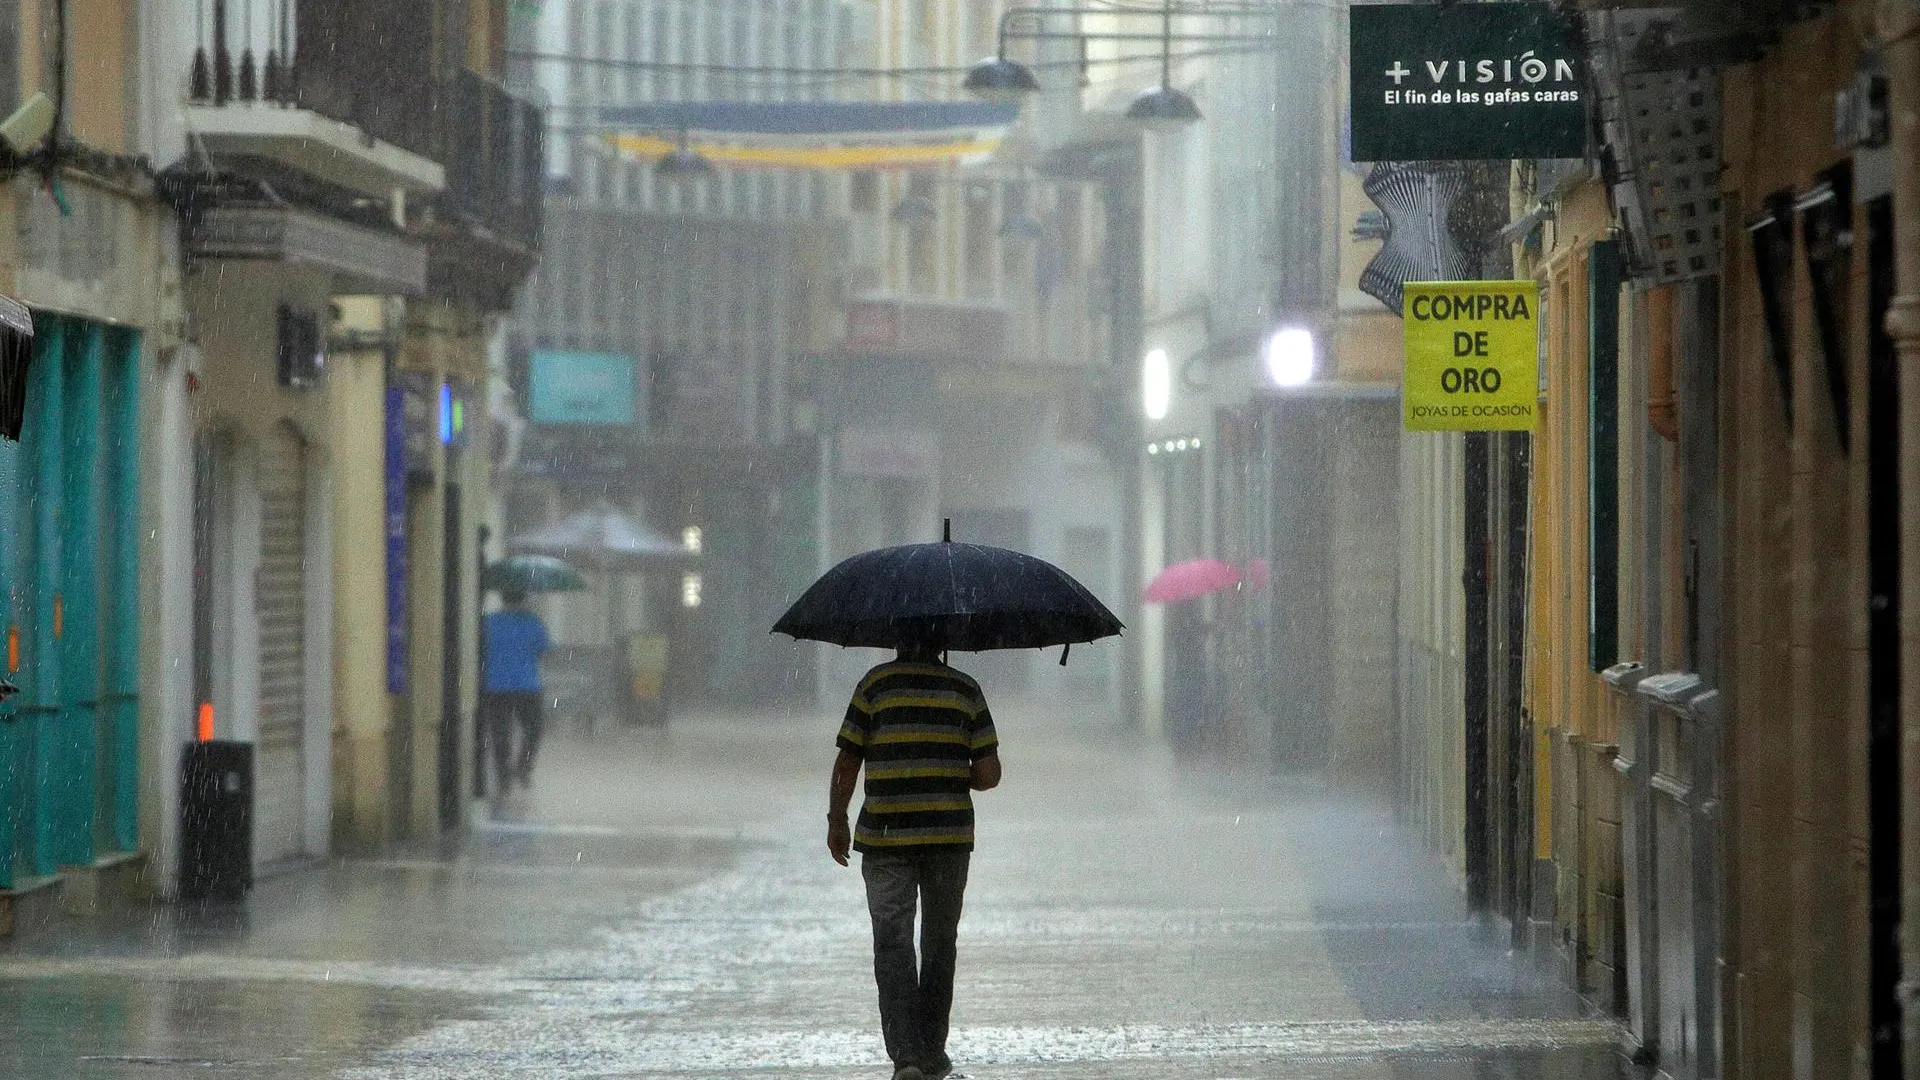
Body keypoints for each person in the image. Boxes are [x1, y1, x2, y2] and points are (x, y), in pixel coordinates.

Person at [827, 640, 1001, 1080]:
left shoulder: (874, 686)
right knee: (940, 944)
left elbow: (848, 760)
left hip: (885, 840)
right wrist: (943, 769)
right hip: (948, 838)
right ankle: (931, 1051)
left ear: (897, 639)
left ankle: (906, 1055)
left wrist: (836, 819)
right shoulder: (965, 690)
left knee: (893, 945)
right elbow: (989, 773)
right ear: (944, 640)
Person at [482, 588, 551, 794]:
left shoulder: (489, 622)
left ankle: (503, 777)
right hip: (527, 686)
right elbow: (544, 650)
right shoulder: (532, 622)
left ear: (503, 599)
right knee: (534, 729)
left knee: (500, 733)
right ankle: (523, 767)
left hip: (496, 685)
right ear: (524, 600)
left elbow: (480, 649)